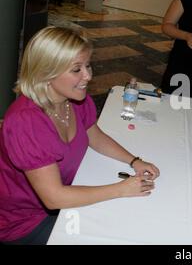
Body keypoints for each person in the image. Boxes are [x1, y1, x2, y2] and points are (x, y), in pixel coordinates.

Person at [0, 26, 160, 244]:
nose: (88, 76)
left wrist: (134, 160)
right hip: (22, 221)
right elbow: (54, 198)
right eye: (76, 69)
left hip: (58, 201)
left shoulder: (74, 100)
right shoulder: (26, 121)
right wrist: (120, 189)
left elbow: (94, 135)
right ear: (46, 72)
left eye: (88, 65)